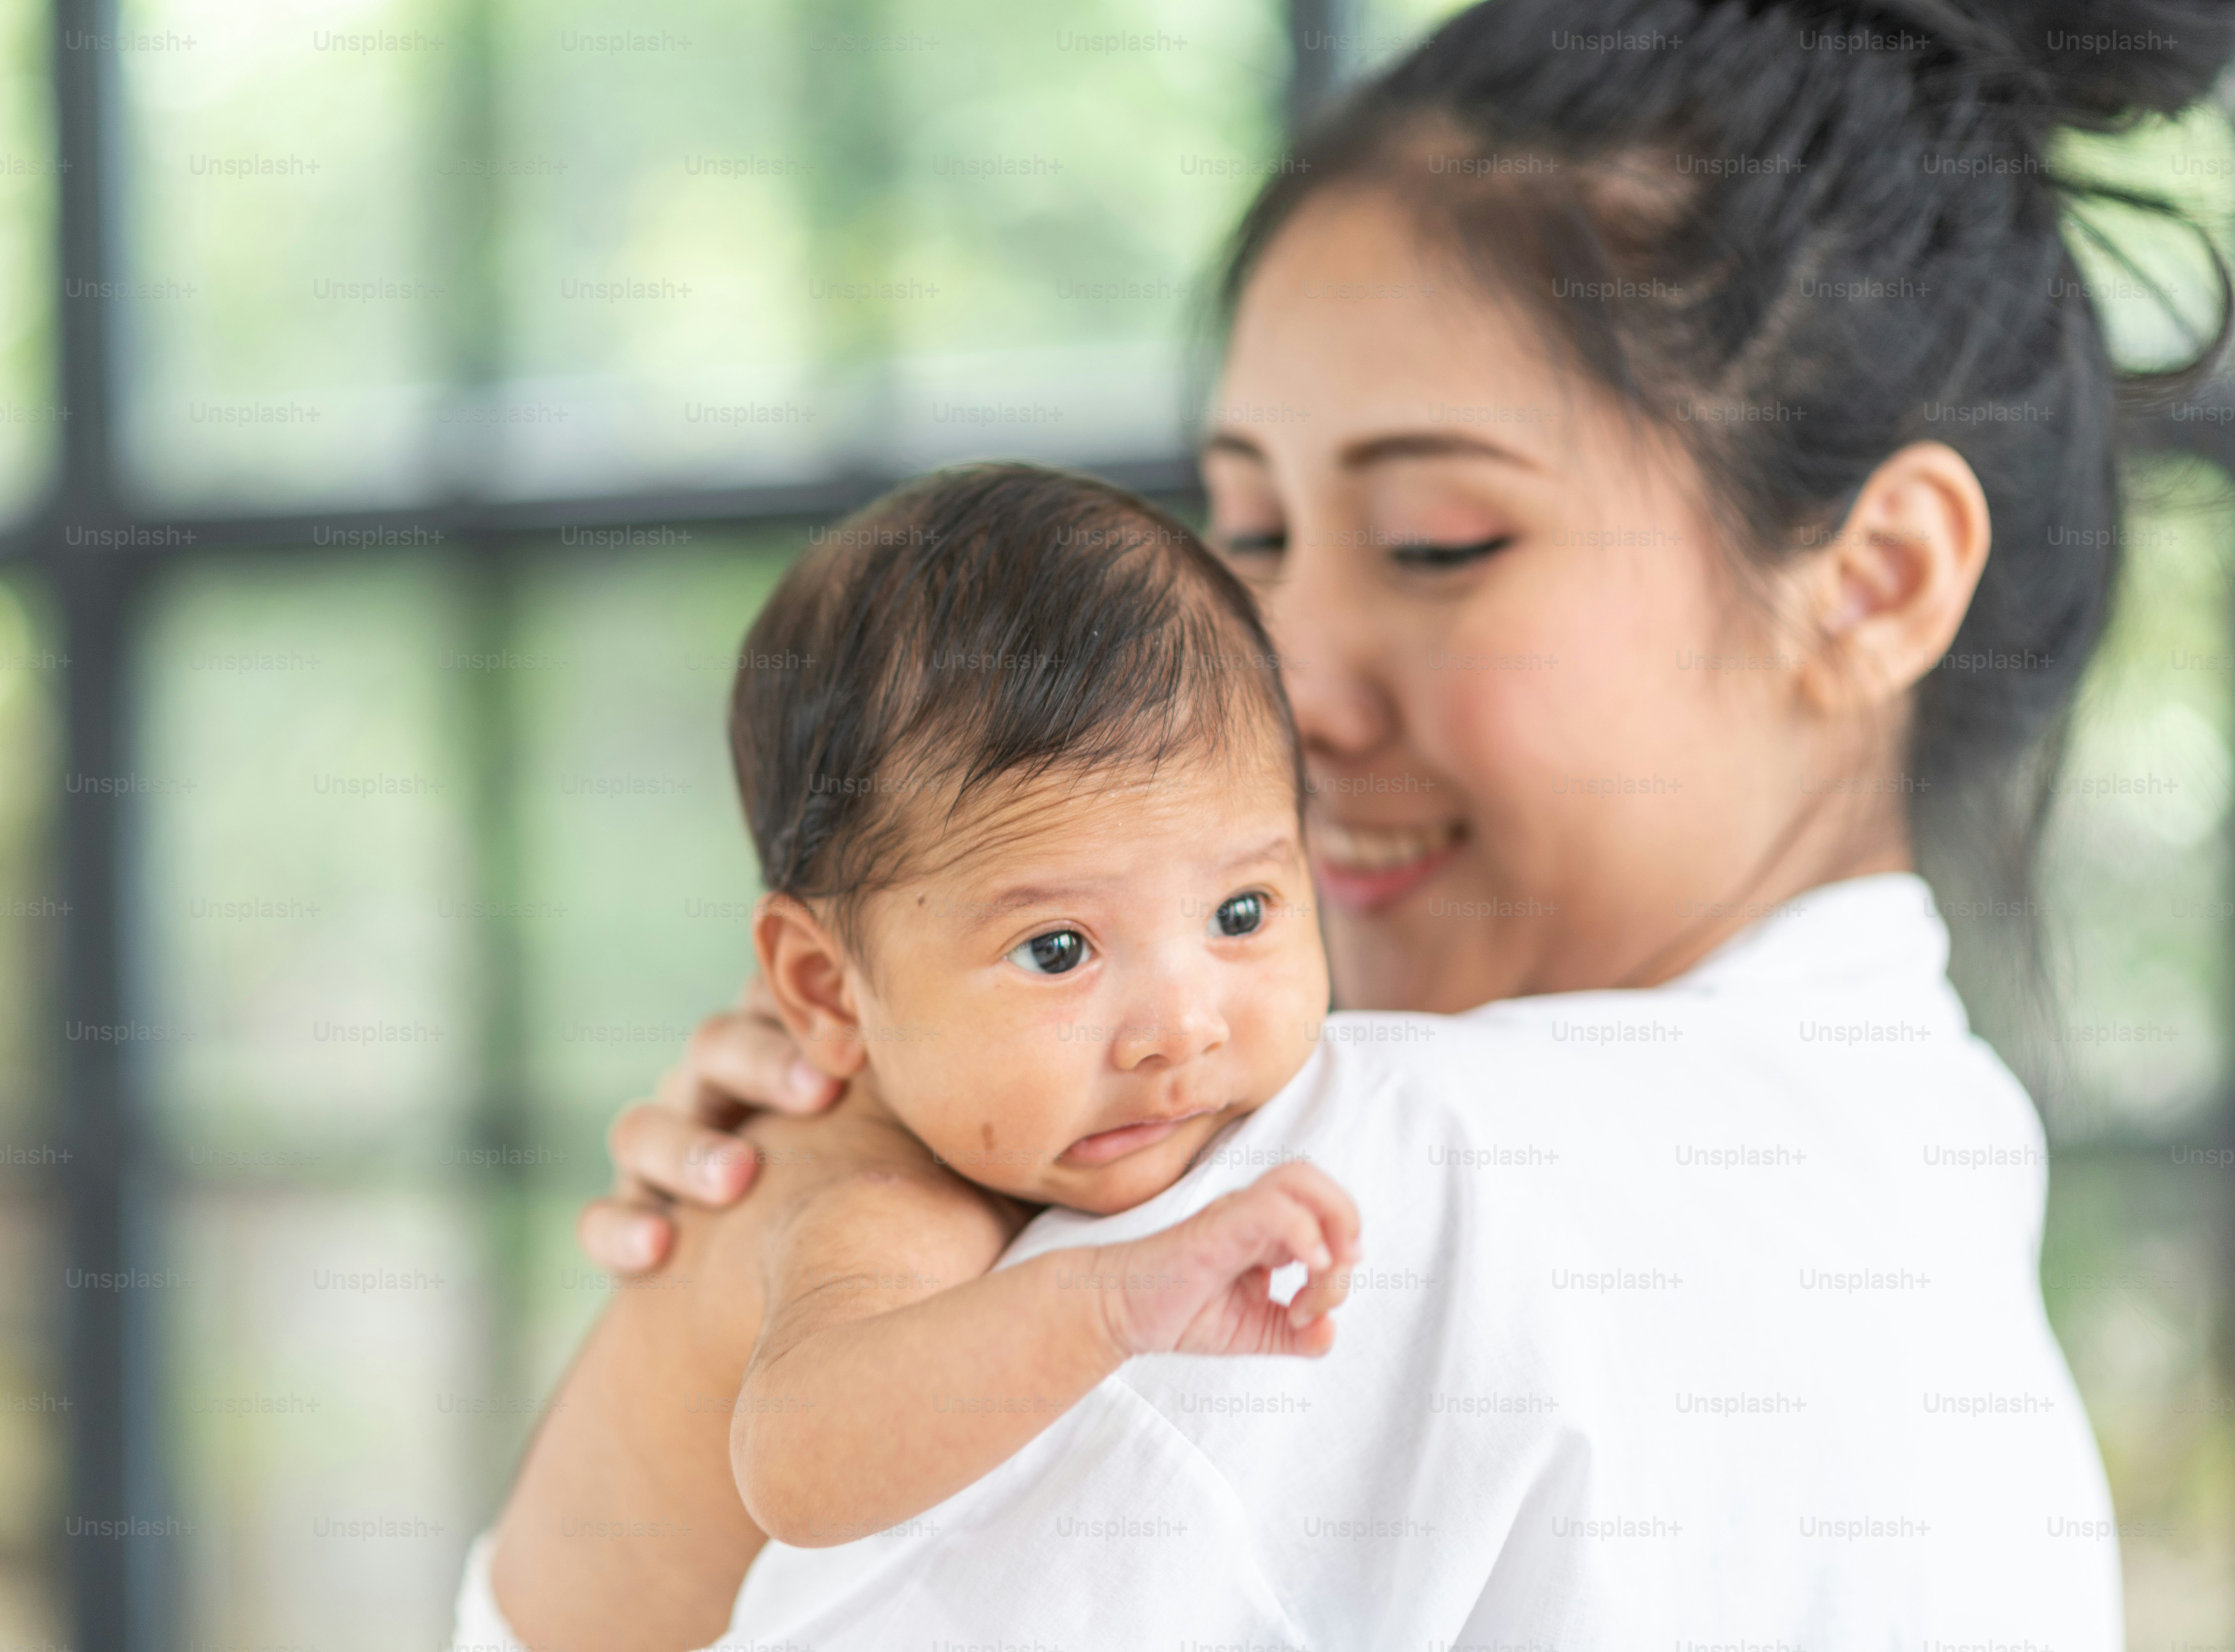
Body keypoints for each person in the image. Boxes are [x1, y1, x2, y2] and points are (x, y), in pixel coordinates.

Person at [471, 0, 2235, 1643]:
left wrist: (744, 1280)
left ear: (1875, 581)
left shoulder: (1347, 1199)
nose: (1278, 690)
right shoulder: (1935, 1228)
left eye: (1438, 544)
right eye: (1244, 536)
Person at [480, 464, 1361, 1652]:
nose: (1184, 1029)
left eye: (1242, 915)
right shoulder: (874, 1200)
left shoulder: (1001, 1094)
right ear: (822, 988)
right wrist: (1111, 1301)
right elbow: (799, 1463)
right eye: (1059, 950)